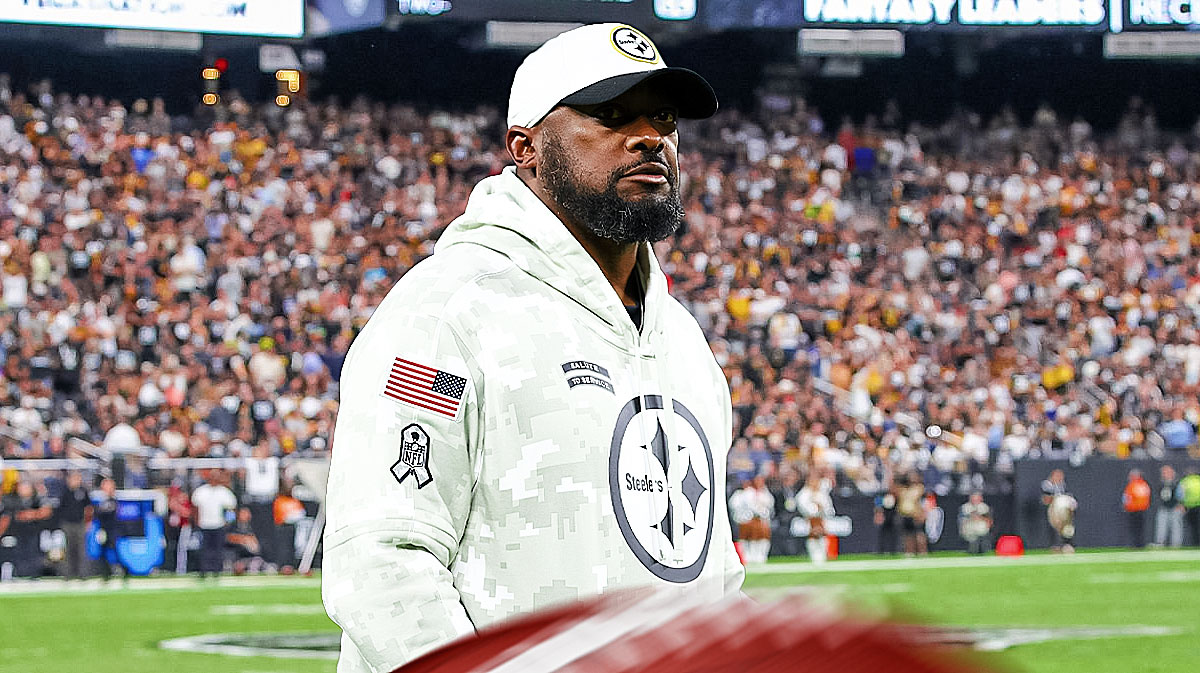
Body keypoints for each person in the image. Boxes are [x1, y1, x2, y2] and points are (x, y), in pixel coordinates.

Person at [322, 23, 744, 672]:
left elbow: (712, 571)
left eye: (662, 118)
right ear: (527, 148)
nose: (648, 137)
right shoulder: (445, 312)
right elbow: (383, 564)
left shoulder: (685, 341)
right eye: (609, 115)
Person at [190, 469, 237, 579]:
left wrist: (228, 521)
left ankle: (217, 570)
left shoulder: (224, 492)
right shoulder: (201, 491)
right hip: (204, 524)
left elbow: (232, 507)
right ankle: (204, 570)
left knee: (218, 549)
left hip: (218, 524)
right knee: (205, 549)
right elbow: (195, 507)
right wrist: (197, 521)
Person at [3, 479, 52, 577]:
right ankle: (21, 575)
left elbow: (47, 511)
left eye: (26, 487)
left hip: (34, 532)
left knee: (34, 554)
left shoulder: (36, 499)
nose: (23, 490)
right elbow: (9, 515)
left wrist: (32, 514)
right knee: (19, 554)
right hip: (19, 533)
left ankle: (34, 575)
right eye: (21, 487)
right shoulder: (14, 500)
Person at [55, 471, 93, 579]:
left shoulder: (83, 491)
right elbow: (60, 509)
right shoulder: (64, 492)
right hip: (67, 523)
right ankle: (67, 573)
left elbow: (88, 508)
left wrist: (88, 522)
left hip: (80, 523)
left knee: (81, 549)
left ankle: (83, 573)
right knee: (68, 549)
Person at [729, 475, 774, 564]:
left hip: (760, 519)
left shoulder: (764, 492)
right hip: (743, 520)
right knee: (745, 537)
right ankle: (746, 556)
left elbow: (769, 504)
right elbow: (736, 507)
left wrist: (762, 512)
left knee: (762, 535)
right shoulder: (741, 494)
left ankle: (761, 555)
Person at [796, 471, 835, 564]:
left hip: (822, 520)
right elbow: (803, 507)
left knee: (823, 537)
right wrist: (815, 508)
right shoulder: (803, 494)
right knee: (813, 536)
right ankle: (814, 556)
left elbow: (829, 509)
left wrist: (822, 508)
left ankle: (823, 556)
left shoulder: (822, 493)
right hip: (808, 521)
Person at [1153, 465, 1184, 548]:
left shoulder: (1177, 483)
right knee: (1161, 526)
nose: (1164, 474)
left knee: (1176, 526)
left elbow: (1181, 495)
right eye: (1163, 472)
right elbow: (1161, 496)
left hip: (1175, 507)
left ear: (1172, 473)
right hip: (1164, 507)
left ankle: (1176, 544)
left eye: (1166, 472)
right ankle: (1160, 542)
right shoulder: (1161, 483)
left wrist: (1181, 504)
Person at [1121, 468, 1151, 549]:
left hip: (1134, 509)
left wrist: (1126, 506)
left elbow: (1127, 498)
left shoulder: (1132, 485)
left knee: (1134, 528)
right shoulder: (1144, 484)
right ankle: (1140, 544)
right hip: (1142, 509)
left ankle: (1135, 544)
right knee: (1140, 528)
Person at [874, 481, 900, 555]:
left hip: (892, 516)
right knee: (882, 534)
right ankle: (881, 550)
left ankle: (893, 550)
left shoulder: (895, 495)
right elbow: (878, 505)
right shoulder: (883, 494)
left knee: (893, 534)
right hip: (885, 516)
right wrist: (879, 514)